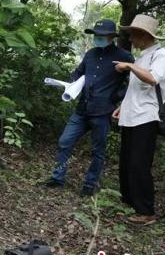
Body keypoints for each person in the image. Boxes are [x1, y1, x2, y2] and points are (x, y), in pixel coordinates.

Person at [45, 19, 134, 196]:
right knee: (65, 142)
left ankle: (90, 184)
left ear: (111, 37)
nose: (97, 38)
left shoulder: (124, 56)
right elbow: (79, 72)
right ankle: (57, 178)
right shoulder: (90, 54)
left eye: (101, 36)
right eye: (96, 35)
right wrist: (70, 84)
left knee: (97, 151)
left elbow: (133, 84)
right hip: (82, 109)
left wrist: (117, 98)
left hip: (102, 112)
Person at [112, 15, 165, 226]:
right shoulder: (142, 57)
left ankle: (146, 211)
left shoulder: (160, 55)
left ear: (144, 36)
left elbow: (153, 78)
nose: (130, 39)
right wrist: (123, 107)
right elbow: (137, 89)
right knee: (127, 163)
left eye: (133, 35)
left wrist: (129, 66)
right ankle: (131, 204)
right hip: (131, 116)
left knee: (139, 164)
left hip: (146, 118)